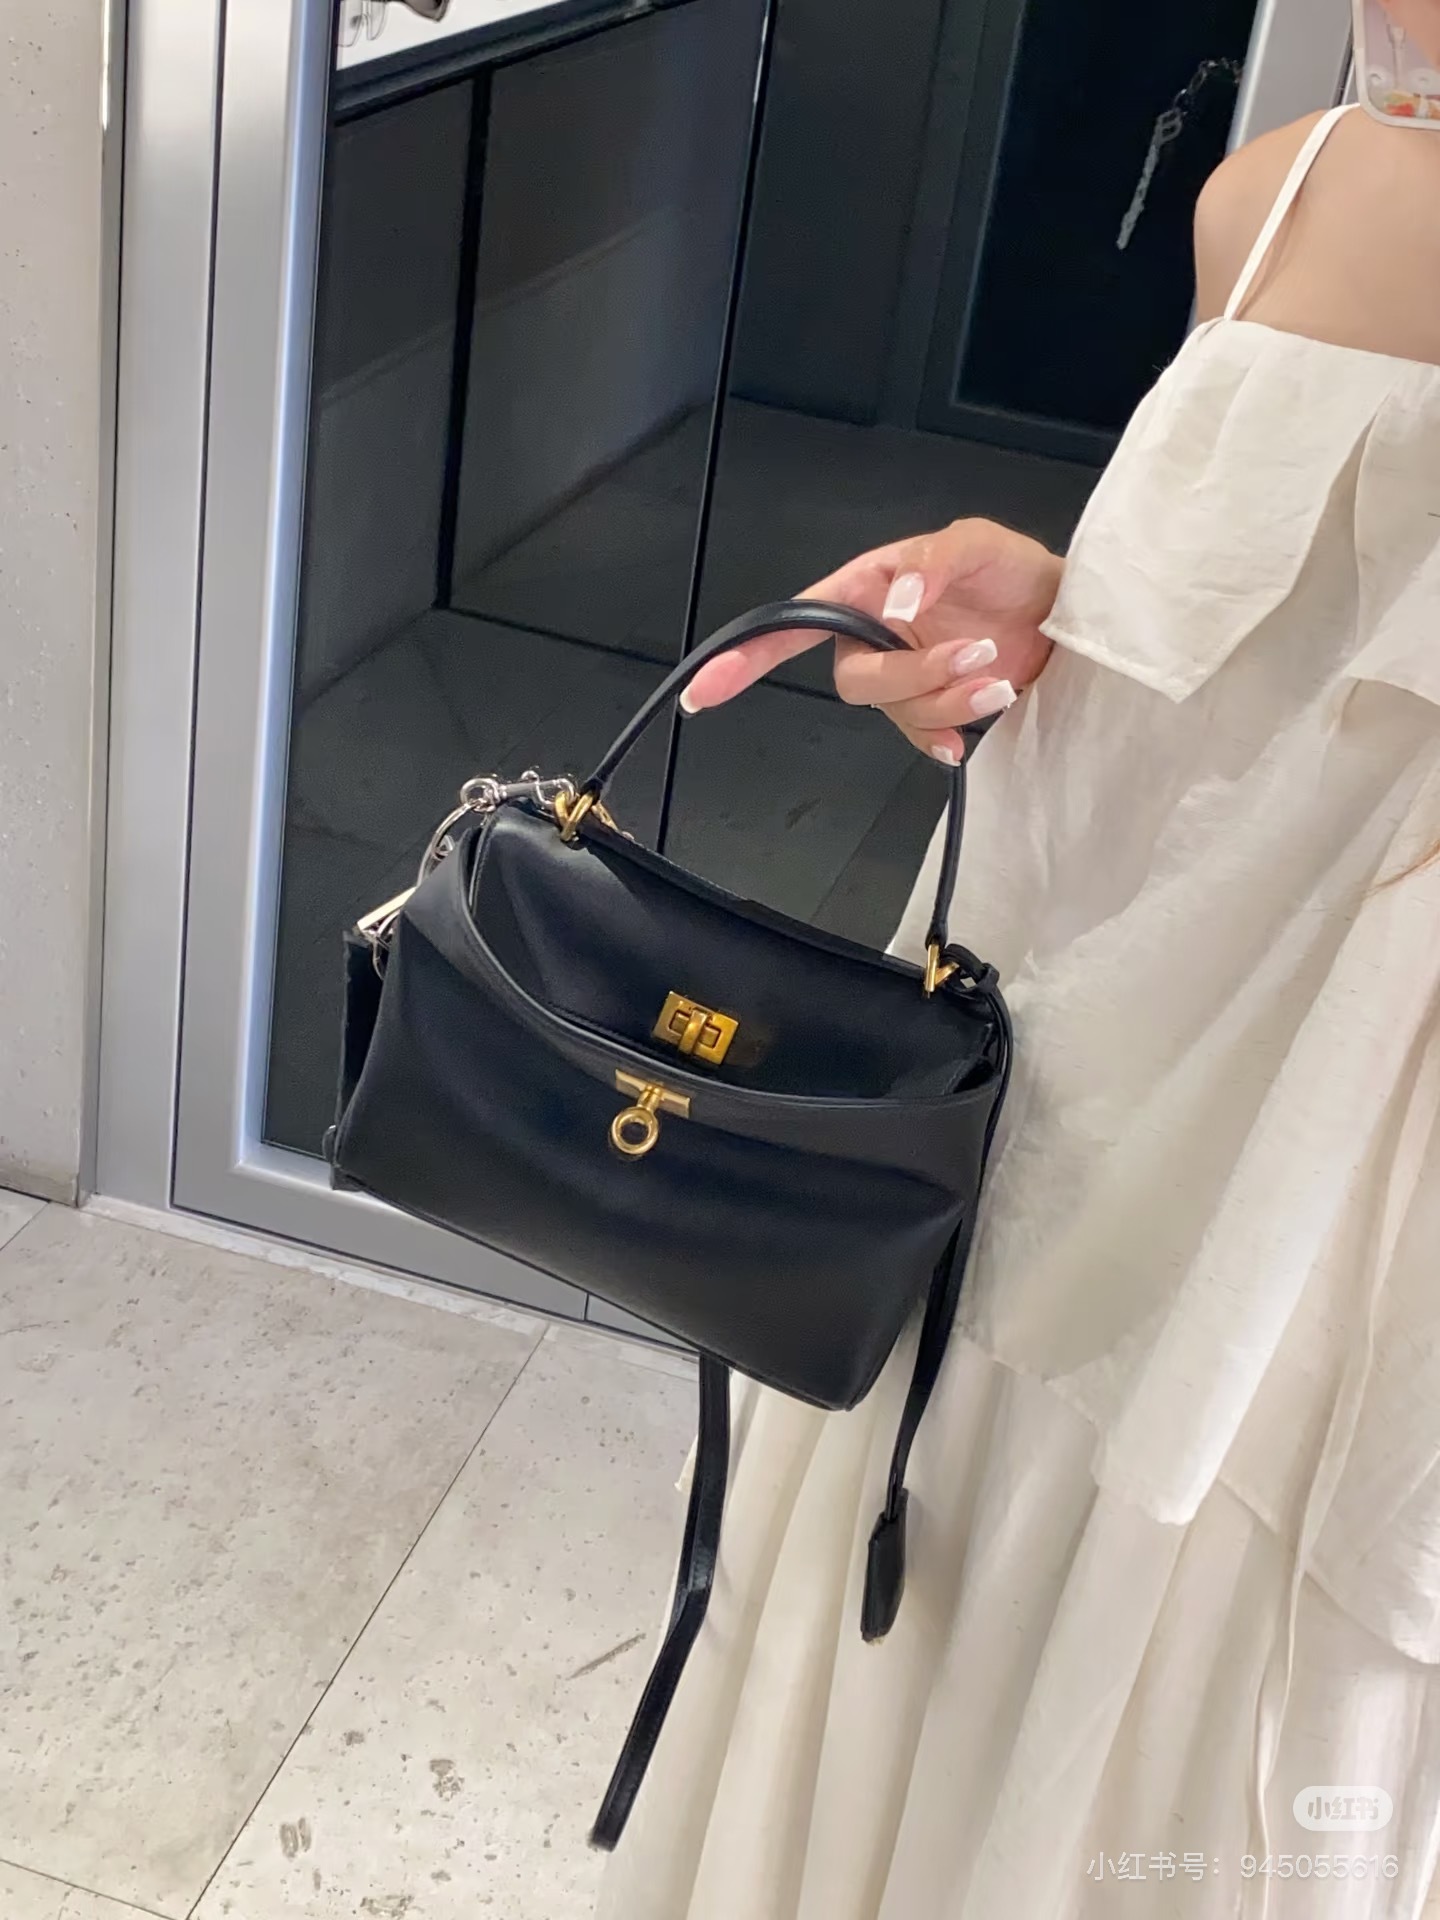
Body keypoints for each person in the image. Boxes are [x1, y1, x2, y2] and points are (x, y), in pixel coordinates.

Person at [597, 100, 1440, 1919]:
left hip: (1358, 1225)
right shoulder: (1282, 188)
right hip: (1055, 1098)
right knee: (937, 1621)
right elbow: (1288, 692)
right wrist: (1069, 625)